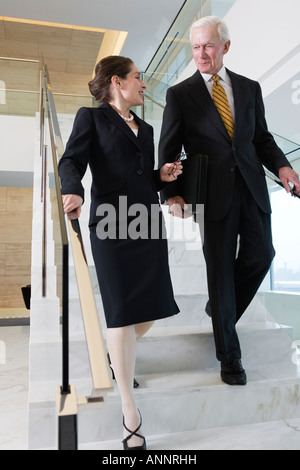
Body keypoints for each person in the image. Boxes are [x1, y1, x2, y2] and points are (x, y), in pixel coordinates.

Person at [158, 16, 300, 387]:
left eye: (208, 46)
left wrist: (284, 168)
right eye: (195, 47)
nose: (201, 54)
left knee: (262, 254)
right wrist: (170, 192)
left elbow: (262, 139)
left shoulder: (249, 88)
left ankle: (221, 309)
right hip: (211, 194)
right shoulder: (180, 94)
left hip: (252, 187)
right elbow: (168, 148)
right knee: (219, 271)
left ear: (225, 47)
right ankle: (229, 356)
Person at [58, 55, 182, 450]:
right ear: (117, 82)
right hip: (110, 227)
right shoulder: (91, 118)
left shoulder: (145, 128)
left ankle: (117, 359)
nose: (144, 85)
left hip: (145, 223)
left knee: (152, 310)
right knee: (121, 311)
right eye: (137, 78)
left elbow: (142, 174)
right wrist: (72, 188)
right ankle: (129, 409)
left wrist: (160, 177)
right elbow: (71, 159)